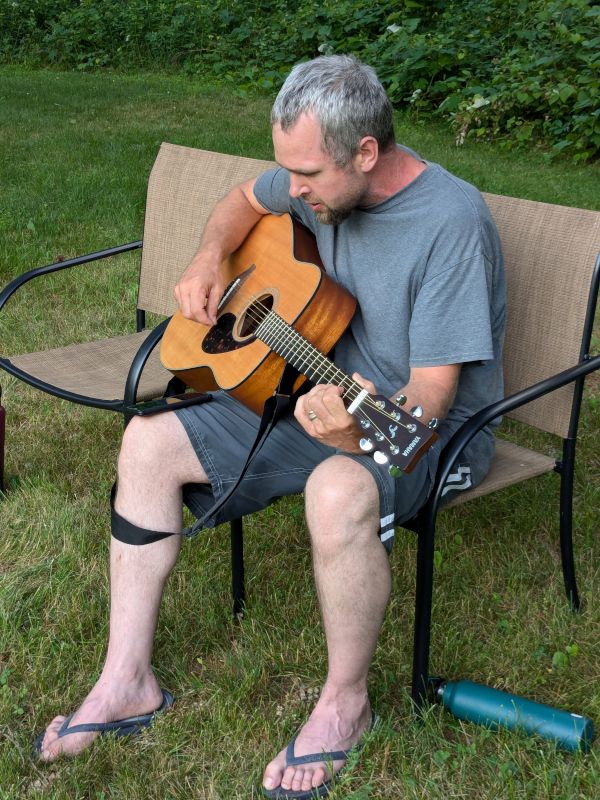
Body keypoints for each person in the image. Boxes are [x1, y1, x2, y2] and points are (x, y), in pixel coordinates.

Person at [35, 55, 505, 798]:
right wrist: (210, 252)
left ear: (367, 153)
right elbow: (244, 199)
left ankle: (345, 705)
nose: (297, 189)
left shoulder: (451, 224)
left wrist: (354, 431)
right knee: (147, 443)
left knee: (337, 492)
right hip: (311, 393)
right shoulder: (319, 179)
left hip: (418, 434)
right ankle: (127, 681)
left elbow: (429, 397)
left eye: (309, 176)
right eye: (291, 171)